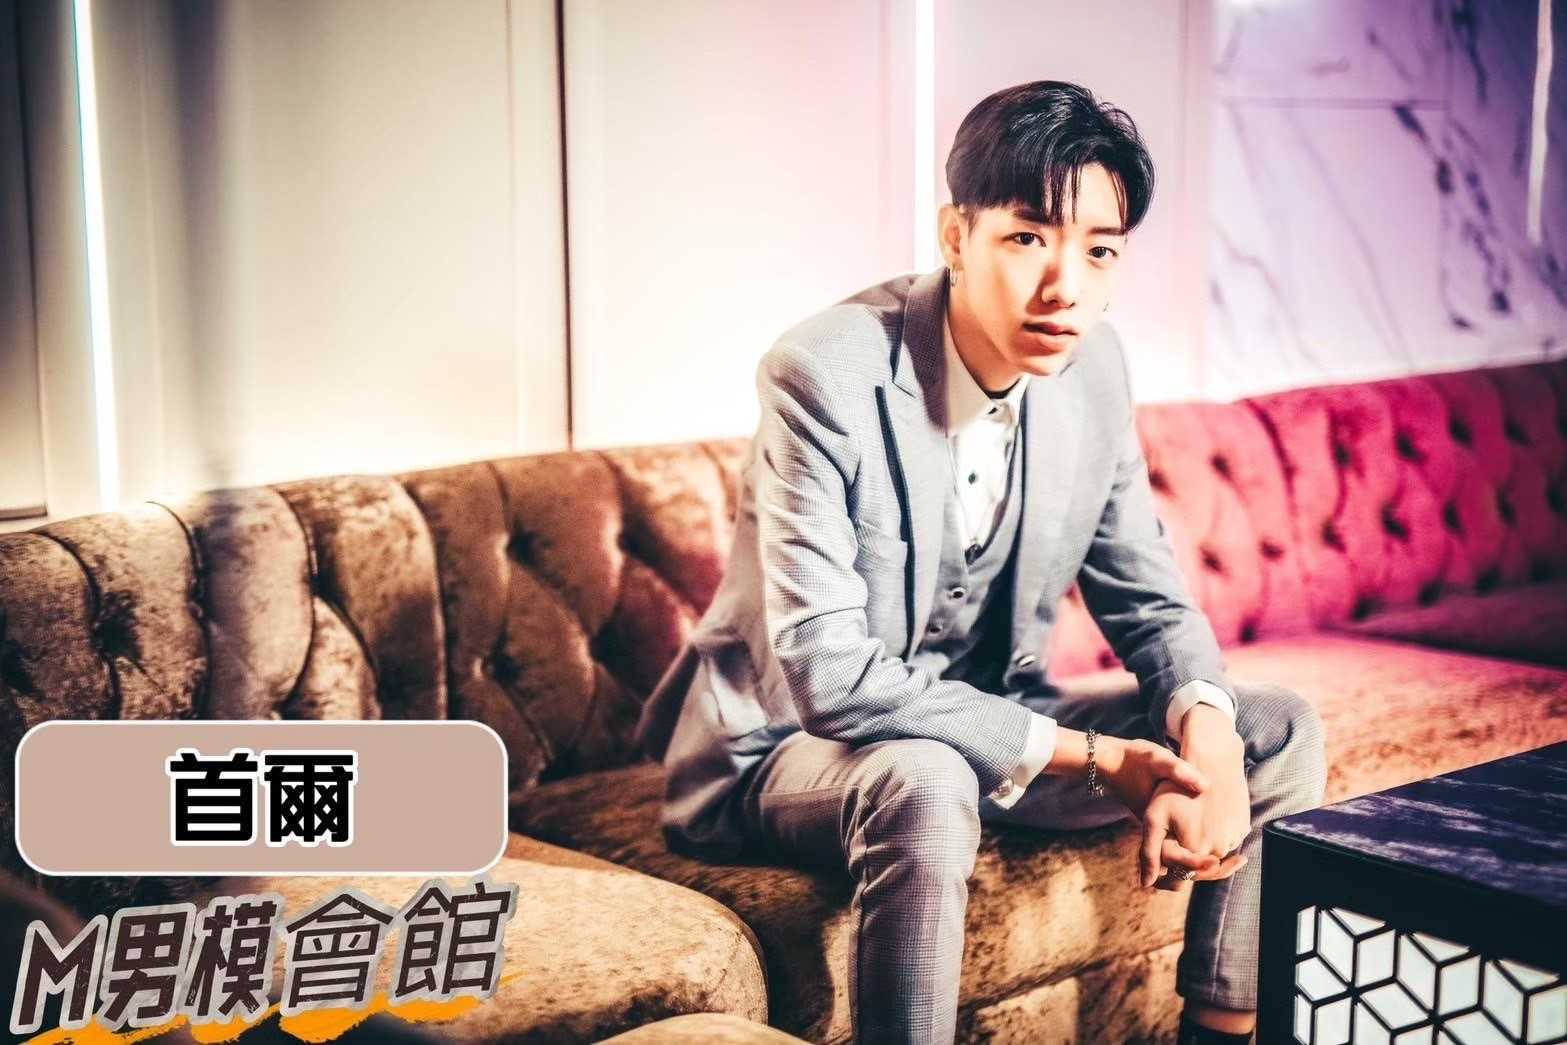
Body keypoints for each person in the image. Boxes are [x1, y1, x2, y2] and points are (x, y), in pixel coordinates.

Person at [632, 79, 1327, 1045]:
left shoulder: (1092, 369)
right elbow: (830, 676)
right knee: (925, 776)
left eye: (1099, 250)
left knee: (1273, 726)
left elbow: (1148, 599)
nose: (1064, 286)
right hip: (791, 748)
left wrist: (1202, 728)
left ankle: (1220, 1031)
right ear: (955, 236)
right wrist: (1094, 756)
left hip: (999, 720)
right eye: (1027, 237)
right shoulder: (824, 374)